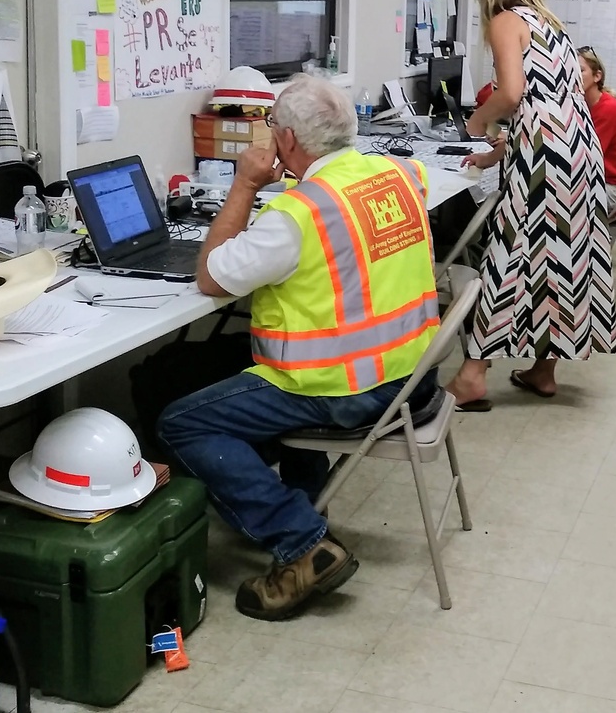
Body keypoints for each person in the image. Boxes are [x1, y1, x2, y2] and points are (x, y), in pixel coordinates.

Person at [158, 75, 441, 622]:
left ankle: (302, 541)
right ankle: (303, 505)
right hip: (413, 370)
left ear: (286, 141)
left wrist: (244, 186)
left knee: (182, 422)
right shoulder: (402, 174)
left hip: (345, 387)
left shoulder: (298, 215)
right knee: (228, 368)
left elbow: (212, 278)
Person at [447, 0, 616, 410]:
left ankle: (472, 375)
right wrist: (498, 151)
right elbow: (550, 101)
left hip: (545, 156)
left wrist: (477, 121)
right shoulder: (552, 25)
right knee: (563, 253)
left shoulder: (505, 20)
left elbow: (513, 94)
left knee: (508, 252)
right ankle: (544, 370)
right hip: (577, 149)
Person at [577, 46, 616, 209]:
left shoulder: (607, 108)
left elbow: (587, 156)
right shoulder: (584, 105)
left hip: (613, 188)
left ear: (597, 76)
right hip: (597, 181)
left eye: (580, 71)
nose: (573, 76)